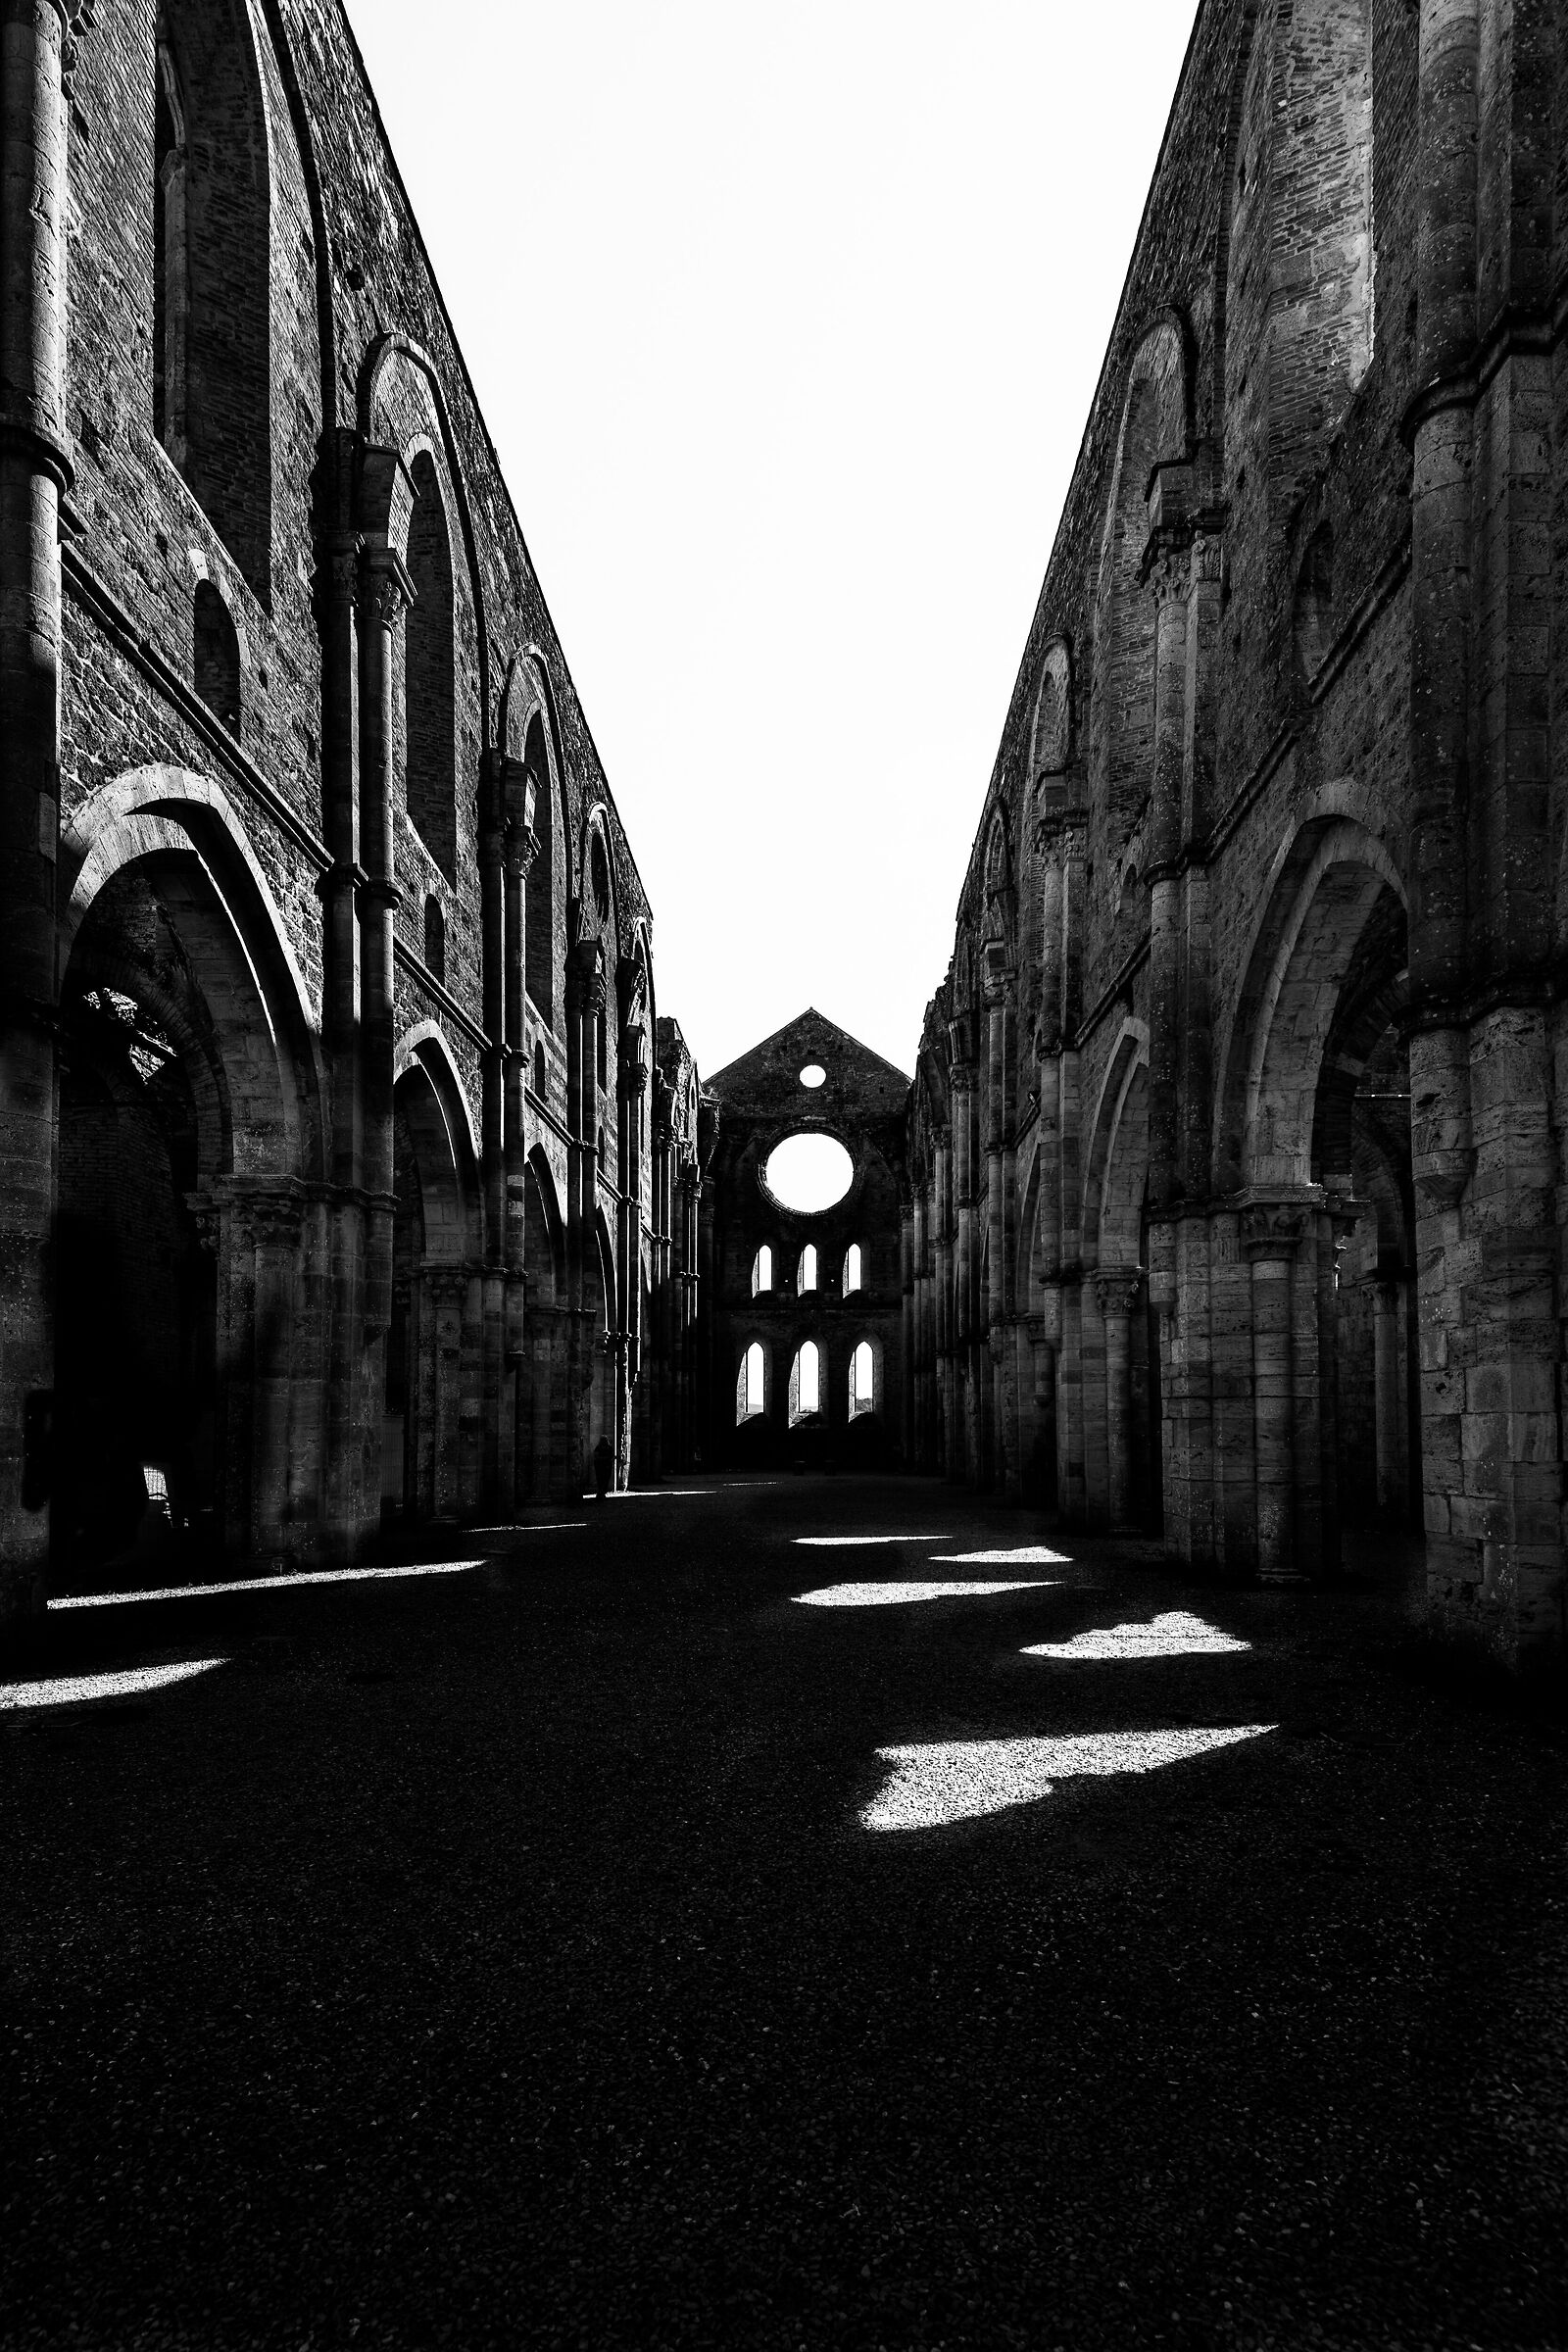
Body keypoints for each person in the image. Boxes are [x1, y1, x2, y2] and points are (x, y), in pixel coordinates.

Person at [593, 1434, 612, 1501]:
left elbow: (596, 1456)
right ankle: (601, 1493)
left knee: (601, 1480)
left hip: (601, 1466)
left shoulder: (600, 1447)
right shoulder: (606, 1448)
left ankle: (600, 1493)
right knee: (604, 1480)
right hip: (604, 1466)